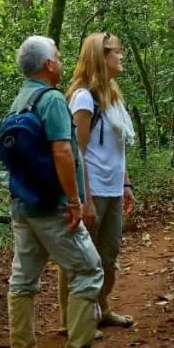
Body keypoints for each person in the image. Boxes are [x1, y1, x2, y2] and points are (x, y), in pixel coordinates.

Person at [6, 35, 123, 348]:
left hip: (22, 201)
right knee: (88, 269)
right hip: (50, 205)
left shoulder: (20, 100)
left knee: (23, 278)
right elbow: (63, 151)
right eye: (56, 55)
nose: (60, 60)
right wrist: (74, 200)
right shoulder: (53, 99)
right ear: (49, 65)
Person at [58, 31, 136, 331]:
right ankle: (71, 320)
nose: (121, 56)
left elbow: (118, 147)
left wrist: (126, 184)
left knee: (108, 255)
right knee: (80, 257)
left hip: (113, 188)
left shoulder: (113, 96)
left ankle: (101, 308)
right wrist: (84, 198)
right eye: (116, 52)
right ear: (100, 57)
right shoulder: (83, 97)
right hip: (93, 189)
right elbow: (77, 151)